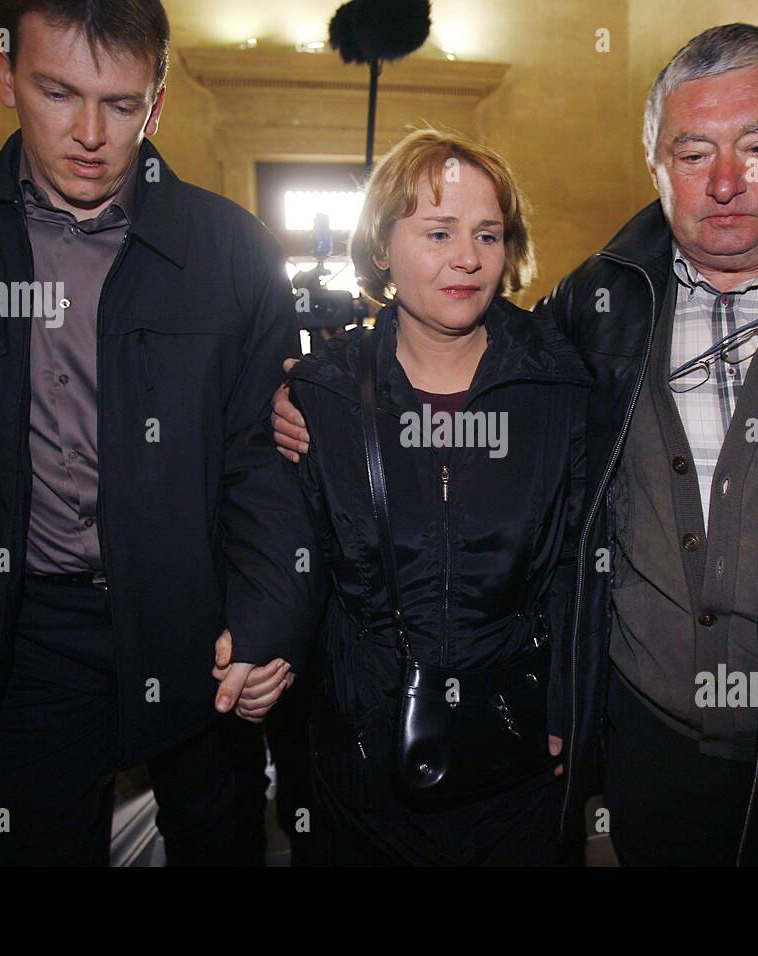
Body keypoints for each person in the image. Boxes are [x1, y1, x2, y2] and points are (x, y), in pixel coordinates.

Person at [275, 24, 758, 864]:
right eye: (693, 154)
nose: (725, 182)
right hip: (652, 750)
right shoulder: (600, 302)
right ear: (654, 162)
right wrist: (304, 387)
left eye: (756, 145)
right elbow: (466, 358)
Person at [0, 0, 318, 866]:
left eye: (122, 105)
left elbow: (261, 454)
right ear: (7, 77)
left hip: (196, 619)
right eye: (58, 93)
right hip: (22, 630)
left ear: (156, 104)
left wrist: (268, 615)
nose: (90, 133)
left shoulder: (233, 250)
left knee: (221, 843)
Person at [275, 128, 590, 865]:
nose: (467, 258)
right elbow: (294, 567)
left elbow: (580, 561)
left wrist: (569, 706)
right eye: (438, 231)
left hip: (518, 755)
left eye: (488, 234)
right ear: (381, 246)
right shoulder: (321, 394)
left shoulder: (557, 387)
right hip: (362, 765)